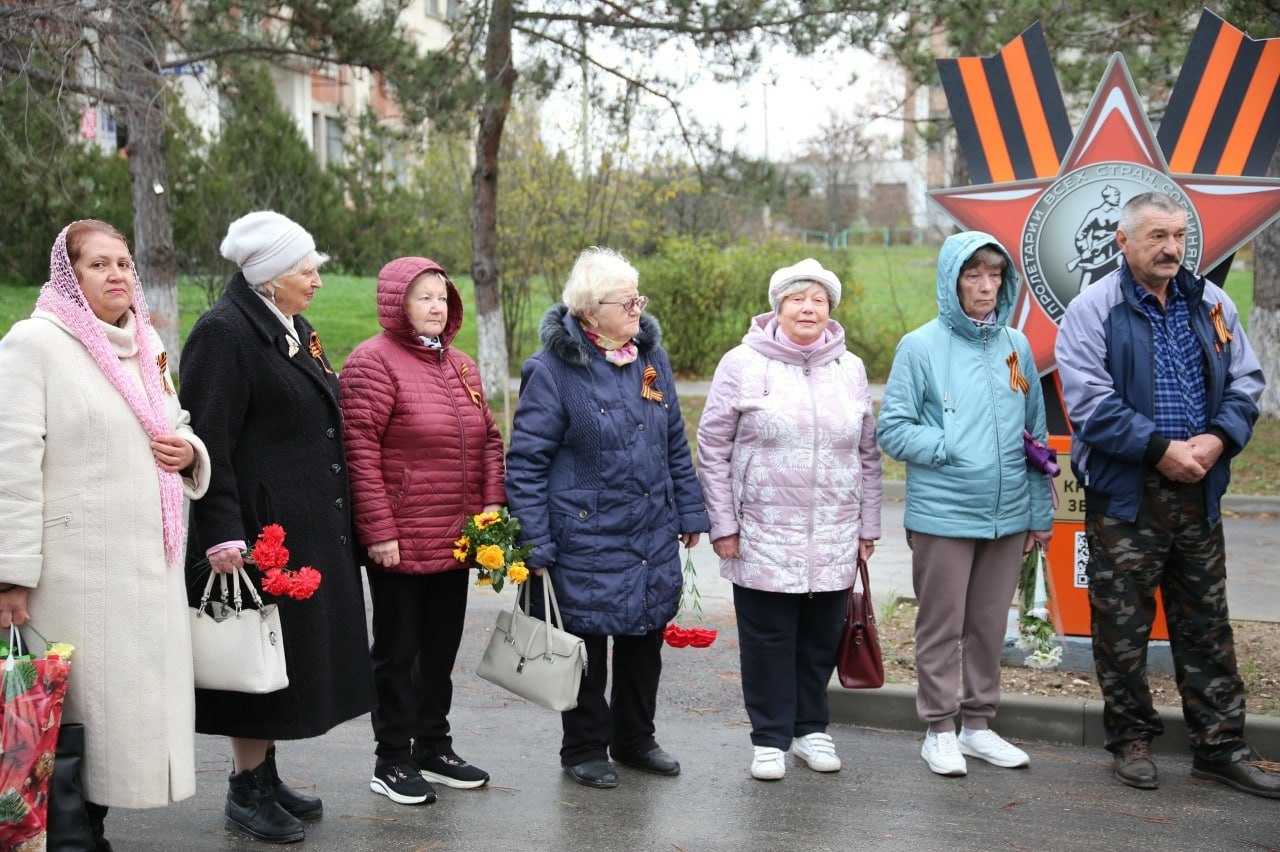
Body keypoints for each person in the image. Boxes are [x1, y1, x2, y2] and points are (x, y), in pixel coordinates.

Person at [1056, 192, 1278, 798]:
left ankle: (1221, 747)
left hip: (1199, 493)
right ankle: (1131, 741)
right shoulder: (1092, 309)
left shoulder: (1212, 303)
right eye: (1156, 236)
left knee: (1207, 625)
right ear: (1123, 242)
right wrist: (1162, 450)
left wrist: (1214, 442)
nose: (1171, 248)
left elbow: (1246, 382)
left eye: (1178, 235)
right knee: (1122, 630)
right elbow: (1089, 403)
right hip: (1127, 498)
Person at [0, 220, 211, 850]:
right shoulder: (34, 343)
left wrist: (189, 451)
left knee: (122, 725)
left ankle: (88, 830)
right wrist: (12, 573)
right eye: (99, 265)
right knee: (72, 719)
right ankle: (70, 833)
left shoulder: (147, 345)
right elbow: (10, 464)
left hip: (147, 570)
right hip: (74, 573)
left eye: (125, 263)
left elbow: (176, 422)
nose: (118, 274)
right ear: (70, 275)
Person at [180, 211, 373, 842]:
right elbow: (210, 440)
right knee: (255, 659)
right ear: (268, 279)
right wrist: (222, 533)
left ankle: (265, 774)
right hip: (259, 535)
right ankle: (245, 788)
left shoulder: (292, 326)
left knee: (285, 663)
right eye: (306, 269)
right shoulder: (223, 334)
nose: (317, 279)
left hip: (304, 528)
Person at [505, 246, 710, 789]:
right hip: (585, 535)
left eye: (639, 296)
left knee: (645, 639)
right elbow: (526, 463)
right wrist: (537, 543)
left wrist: (689, 509)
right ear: (591, 310)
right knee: (588, 645)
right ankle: (585, 747)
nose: (638, 307)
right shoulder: (551, 370)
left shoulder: (649, 357)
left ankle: (635, 738)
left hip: (649, 529)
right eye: (628, 300)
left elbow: (672, 441)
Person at [695, 258, 882, 781]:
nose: (808, 308)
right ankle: (770, 738)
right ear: (778, 306)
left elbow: (868, 455)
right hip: (761, 530)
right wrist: (723, 524)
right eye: (798, 298)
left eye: (819, 300)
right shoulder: (742, 363)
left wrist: (868, 526)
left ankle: (811, 729)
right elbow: (712, 447)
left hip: (834, 530)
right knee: (768, 639)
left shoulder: (852, 369)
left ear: (830, 310)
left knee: (821, 636)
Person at [879, 231, 1054, 778]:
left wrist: (1038, 515)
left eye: (994, 275)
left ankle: (978, 727)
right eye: (972, 275)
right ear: (951, 280)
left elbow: (1036, 436)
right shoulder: (920, 346)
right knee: (941, 626)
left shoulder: (1015, 346)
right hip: (944, 515)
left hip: (1007, 517)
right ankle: (938, 729)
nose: (985, 286)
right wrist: (952, 446)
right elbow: (893, 428)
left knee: (987, 626)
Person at [340, 256, 505, 805]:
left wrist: (491, 512)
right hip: (402, 535)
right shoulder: (373, 361)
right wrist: (379, 529)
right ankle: (391, 759)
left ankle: (433, 747)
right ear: (396, 304)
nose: (436, 306)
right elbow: (358, 450)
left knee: (439, 649)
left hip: (456, 535)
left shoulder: (460, 364)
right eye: (423, 297)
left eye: (442, 297)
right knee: (397, 650)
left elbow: (487, 441)